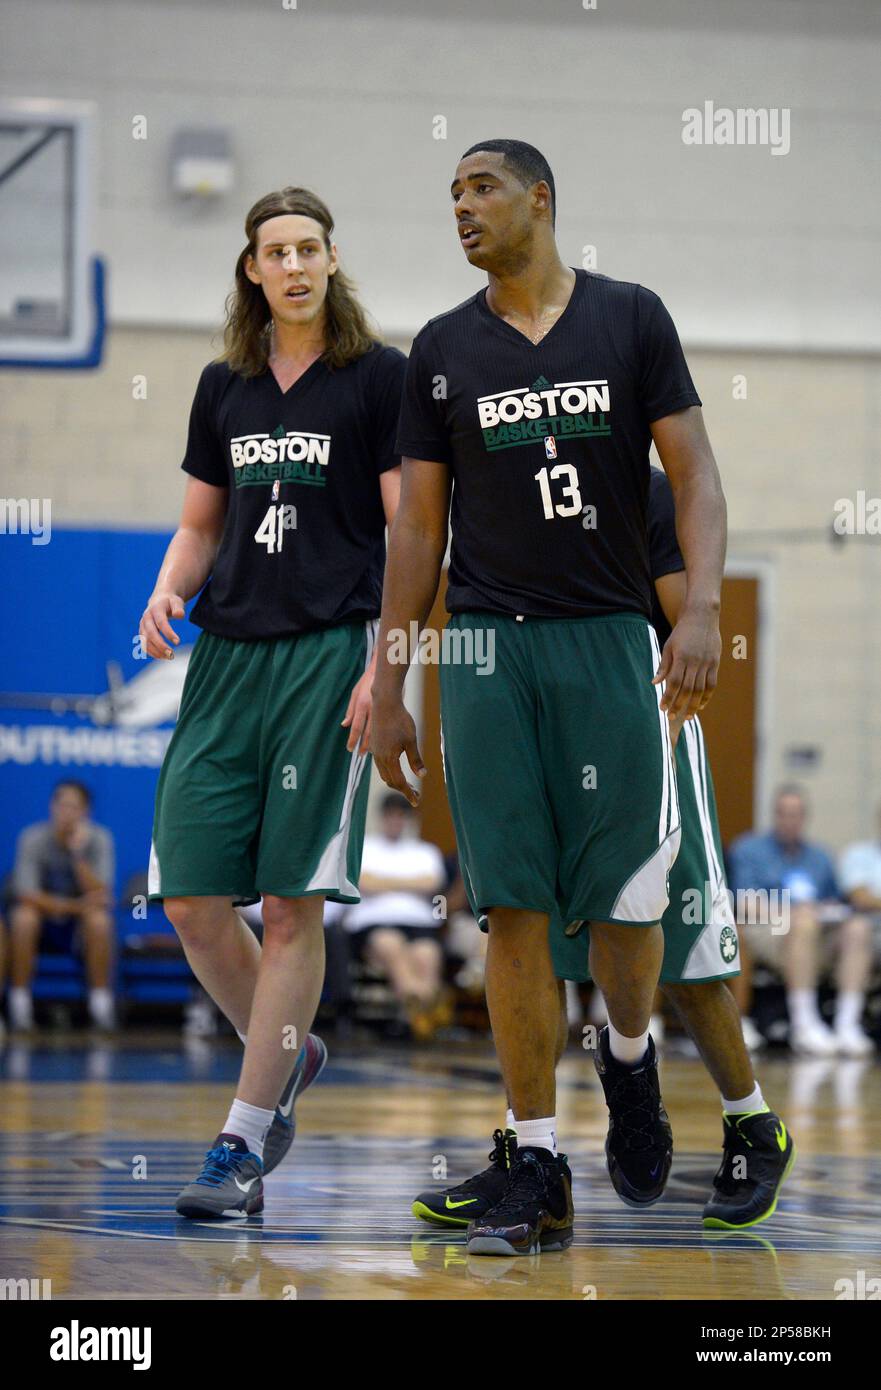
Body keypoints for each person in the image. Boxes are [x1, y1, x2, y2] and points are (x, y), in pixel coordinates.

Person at [371, 138, 726, 1257]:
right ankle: (535, 1160)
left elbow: (696, 472)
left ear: (540, 199)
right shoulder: (438, 351)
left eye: (480, 189)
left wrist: (703, 606)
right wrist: (387, 678)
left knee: (624, 904)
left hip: (612, 637)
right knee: (509, 907)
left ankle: (628, 1058)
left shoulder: (629, 317)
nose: (462, 209)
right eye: (451, 196)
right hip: (483, 647)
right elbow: (418, 529)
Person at [413, 468, 795, 1234]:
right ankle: (531, 1153)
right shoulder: (492, 485)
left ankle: (751, 1125)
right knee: (532, 942)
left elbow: (681, 619)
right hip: (537, 719)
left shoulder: (641, 485)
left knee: (685, 958)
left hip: (642, 722)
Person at [140, 186, 407, 1218]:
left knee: (293, 903)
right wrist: (170, 585)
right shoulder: (225, 386)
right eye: (274, 251)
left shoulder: (377, 379)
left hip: (329, 651)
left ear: (331, 261)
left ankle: (240, 1144)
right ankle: (287, 1053)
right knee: (193, 900)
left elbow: (402, 538)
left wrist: (385, 667)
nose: (293, 265)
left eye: (309, 248)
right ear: (251, 271)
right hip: (226, 659)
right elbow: (200, 528)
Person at [728, 788, 872, 1056]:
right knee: (803, 922)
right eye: (784, 814)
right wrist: (792, 912)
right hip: (769, 929)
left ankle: (847, 1023)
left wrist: (823, 911)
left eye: (796, 815)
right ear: (775, 815)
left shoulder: (819, 856)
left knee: (858, 928)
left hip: (817, 931)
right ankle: (804, 1022)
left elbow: (836, 902)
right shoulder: (749, 849)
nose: (789, 820)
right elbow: (744, 902)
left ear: (804, 817)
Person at [10, 780, 116, 1031]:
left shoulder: (99, 839)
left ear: (85, 812)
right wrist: (76, 906)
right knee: (24, 917)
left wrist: (77, 855)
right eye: (61, 804)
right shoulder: (32, 838)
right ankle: (19, 1003)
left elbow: (102, 895)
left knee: (100, 921)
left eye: (73, 807)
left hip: (79, 928)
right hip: (43, 924)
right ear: (51, 806)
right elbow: (26, 894)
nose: (65, 812)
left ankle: (100, 1006)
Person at [344, 792, 448, 1037]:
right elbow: (365, 882)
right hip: (375, 923)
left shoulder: (425, 851)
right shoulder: (365, 847)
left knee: (427, 954)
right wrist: (410, 883)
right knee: (393, 948)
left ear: (408, 820)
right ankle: (424, 1010)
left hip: (419, 923)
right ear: (382, 818)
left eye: (401, 817)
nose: (395, 822)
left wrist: (385, 882)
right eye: (391, 816)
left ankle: (415, 1014)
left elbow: (432, 883)